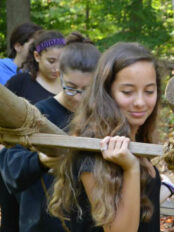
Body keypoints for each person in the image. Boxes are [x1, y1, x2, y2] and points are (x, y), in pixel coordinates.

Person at [49, 42, 173, 232]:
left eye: (149, 91)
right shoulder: (92, 151)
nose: (140, 102)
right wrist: (131, 168)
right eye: (128, 92)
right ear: (107, 92)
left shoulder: (136, 138)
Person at [0, 32, 101, 232]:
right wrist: (41, 161)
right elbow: (9, 168)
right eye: (71, 88)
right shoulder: (37, 116)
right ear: (61, 75)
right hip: (41, 223)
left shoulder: (104, 118)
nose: (78, 98)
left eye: (86, 90)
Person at [5, 30, 65, 103]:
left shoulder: (69, 85)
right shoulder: (20, 82)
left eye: (62, 61)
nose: (57, 68)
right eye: (51, 61)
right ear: (37, 56)